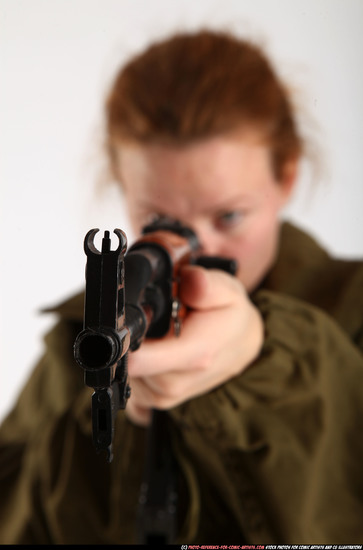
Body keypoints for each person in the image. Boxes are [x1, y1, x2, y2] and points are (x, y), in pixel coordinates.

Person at [1, 29, 363, 545]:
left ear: (286, 177)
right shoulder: (81, 336)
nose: (196, 247)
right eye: (160, 219)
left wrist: (263, 368)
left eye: (229, 215)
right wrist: (116, 420)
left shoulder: (352, 311)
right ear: (124, 191)